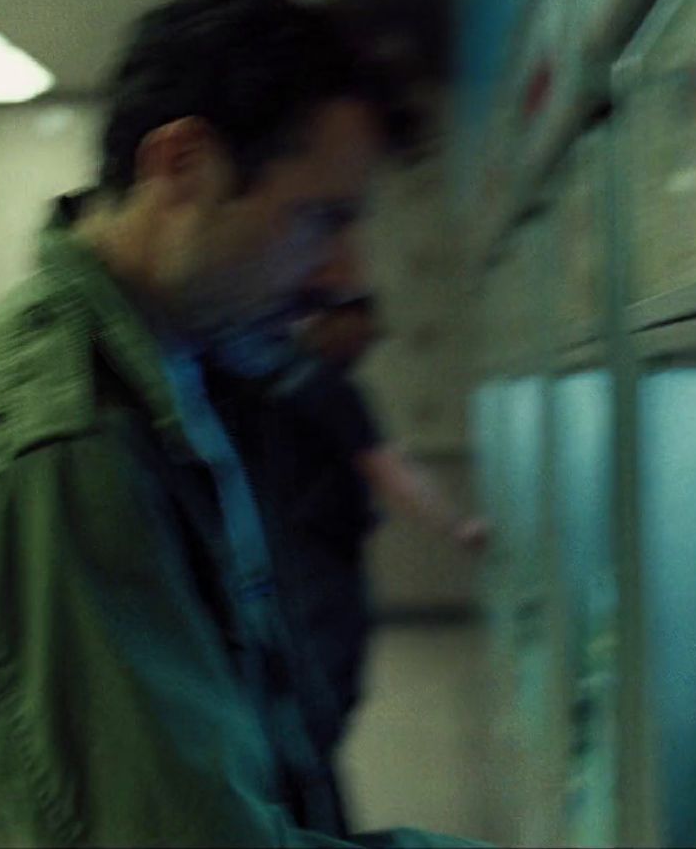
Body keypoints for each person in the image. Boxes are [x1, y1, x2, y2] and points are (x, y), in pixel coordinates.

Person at [0, 0, 492, 848]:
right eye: (320, 220)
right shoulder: (52, 453)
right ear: (183, 166)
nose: (347, 274)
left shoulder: (176, 368)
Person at [204, 289, 490, 800]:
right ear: (332, 321)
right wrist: (456, 526)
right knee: (324, 694)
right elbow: (391, 473)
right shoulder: (328, 389)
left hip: (272, 564)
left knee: (288, 693)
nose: (369, 344)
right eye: (364, 329)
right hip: (321, 571)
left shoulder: (263, 380)